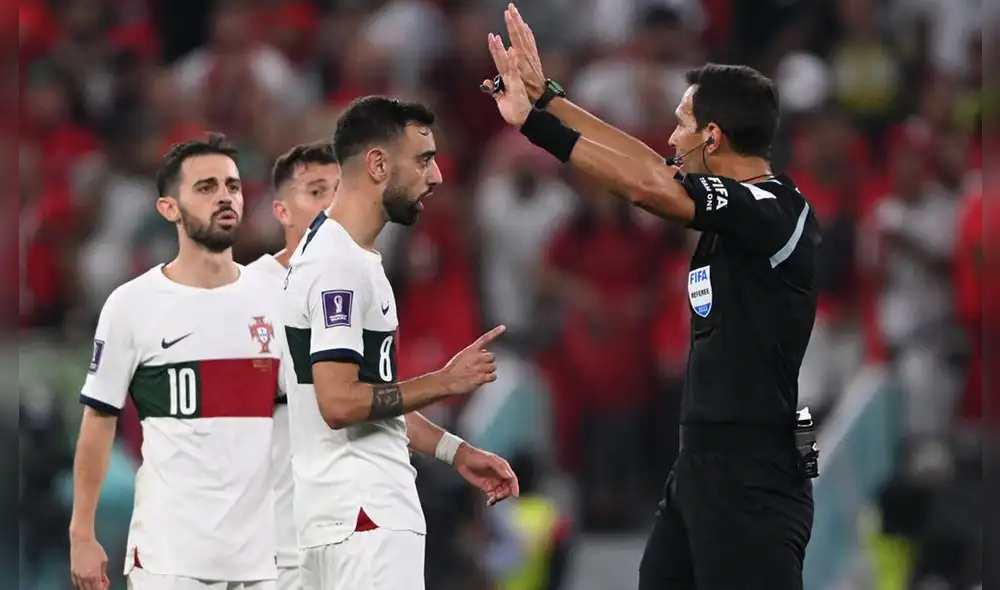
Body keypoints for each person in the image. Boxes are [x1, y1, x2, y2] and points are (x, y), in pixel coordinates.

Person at [485, 6, 819, 589]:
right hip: (702, 463)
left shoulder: (772, 210)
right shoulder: (733, 212)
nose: (669, 137)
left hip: (753, 472)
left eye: (681, 123)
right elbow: (649, 165)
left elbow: (646, 184)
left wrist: (537, 129)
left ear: (712, 137)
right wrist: (550, 99)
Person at [282, 96, 520, 590]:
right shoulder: (341, 267)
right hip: (366, 515)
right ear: (377, 164)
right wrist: (444, 382)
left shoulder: (335, 252)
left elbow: (372, 392)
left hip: (332, 513)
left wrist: (454, 451)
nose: (435, 177)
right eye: (424, 160)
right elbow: (340, 401)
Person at [69, 133, 287, 590]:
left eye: (232, 185)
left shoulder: (276, 297)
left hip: (266, 555)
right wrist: (82, 533)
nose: (225, 196)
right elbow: (98, 419)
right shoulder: (132, 305)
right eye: (206, 187)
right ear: (169, 208)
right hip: (171, 555)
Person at [246, 142, 340, 590]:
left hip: (351, 534)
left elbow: (379, 402)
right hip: (276, 540)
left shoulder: (362, 284)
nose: (330, 205)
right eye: (316, 191)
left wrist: (453, 451)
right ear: (281, 211)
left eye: (339, 192)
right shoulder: (246, 292)